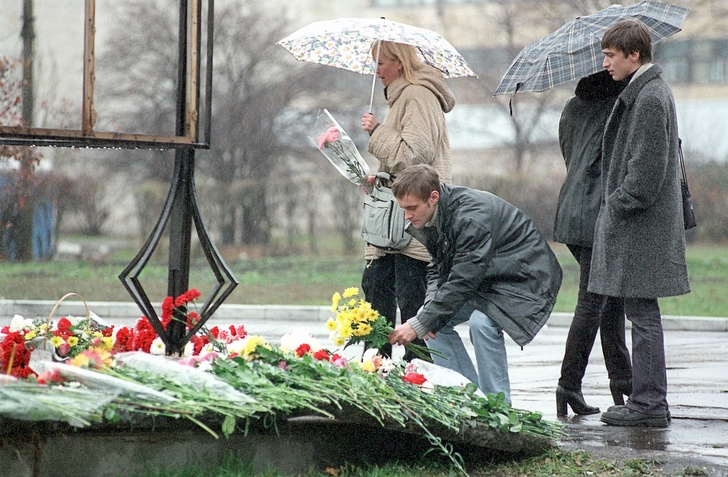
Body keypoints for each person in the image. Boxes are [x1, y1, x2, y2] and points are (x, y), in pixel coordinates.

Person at [387, 164, 563, 403]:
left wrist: (423, 320)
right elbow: (439, 270)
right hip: (488, 277)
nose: (406, 216)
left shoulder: (470, 218)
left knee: (481, 324)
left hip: (524, 277)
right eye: (403, 209)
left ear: (433, 197)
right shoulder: (435, 215)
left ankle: (498, 407)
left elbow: (462, 280)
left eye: (411, 208)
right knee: (429, 322)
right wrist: (427, 312)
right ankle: (468, 398)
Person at [591, 20, 690, 428]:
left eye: (611, 54)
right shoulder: (645, 91)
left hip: (640, 227)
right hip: (640, 227)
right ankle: (647, 401)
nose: (605, 62)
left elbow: (645, 174)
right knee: (641, 313)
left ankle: (648, 404)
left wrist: (616, 205)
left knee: (643, 316)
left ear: (635, 55)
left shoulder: (648, 96)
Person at [360, 40, 455, 360]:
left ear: (400, 63)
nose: (377, 71)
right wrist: (382, 178)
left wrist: (376, 132)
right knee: (377, 290)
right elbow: (401, 161)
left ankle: (419, 375)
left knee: (410, 299)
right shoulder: (402, 96)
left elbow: (416, 156)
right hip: (395, 215)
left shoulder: (417, 95)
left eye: (382, 63)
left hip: (413, 216)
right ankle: (380, 367)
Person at [553, 70, 633, 417]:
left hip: (571, 207)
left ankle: (623, 383)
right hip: (598, 212)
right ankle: (568, 383)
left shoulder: (572, 106)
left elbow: (569, 153)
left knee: (610, 298)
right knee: (593, 300)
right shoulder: (621, 105)